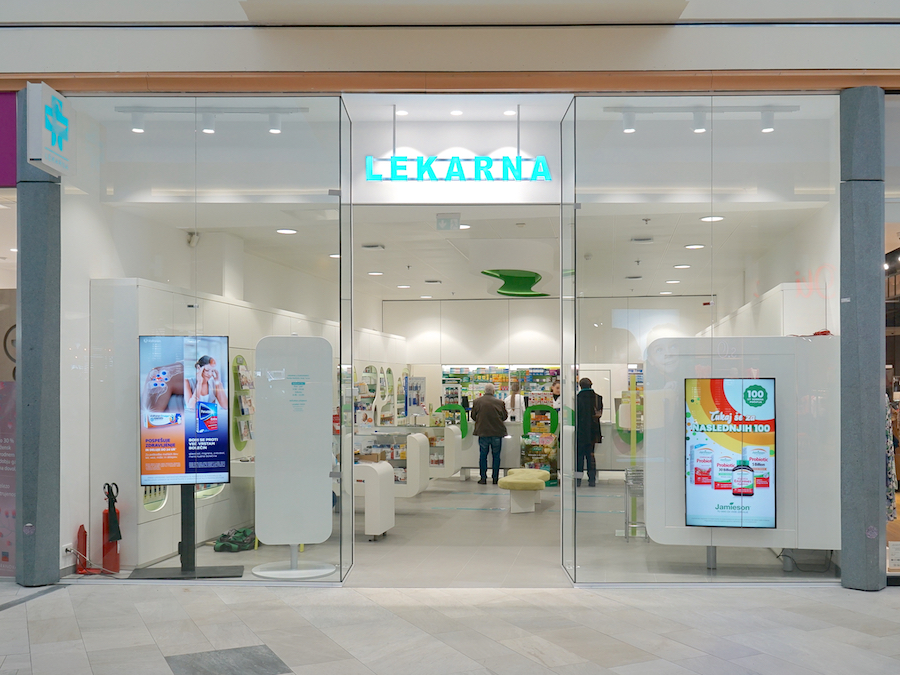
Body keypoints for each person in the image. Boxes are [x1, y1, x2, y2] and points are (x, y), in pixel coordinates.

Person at [471, 382, 508, 484]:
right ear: (493, 391)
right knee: (496, 456)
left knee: (483, 455)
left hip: (483, 432)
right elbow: (505, 417)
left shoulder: (477, 402)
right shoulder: (500, 402)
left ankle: (483, 478)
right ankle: (495, 478)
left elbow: (473, 416)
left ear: (484, 391)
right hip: (497, 432)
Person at [576, 377, 602, 487]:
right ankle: (592, 479)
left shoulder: (576, 399)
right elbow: (599, 414)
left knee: (579, 457)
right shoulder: (598, 398)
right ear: (591, 385)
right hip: (593, 432)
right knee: (591, 456)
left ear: (580, 386)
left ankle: (578, 480)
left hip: (580, 431)